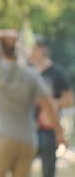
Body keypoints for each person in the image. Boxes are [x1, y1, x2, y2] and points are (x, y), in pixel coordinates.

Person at [0, 30, 66, 177]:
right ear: (19, 49)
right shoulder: (31, 75)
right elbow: (48, 106)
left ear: (0, 51)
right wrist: (59, 133)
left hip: (3, 137)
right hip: (27, 140)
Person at [30, 35, 74, 177]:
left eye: (34, 47)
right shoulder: (27, 72)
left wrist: (49, 104)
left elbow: (69, 100)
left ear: (42, 49)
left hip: (48, 128)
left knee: (48, 170)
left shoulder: (56, 72)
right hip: (27, 127)